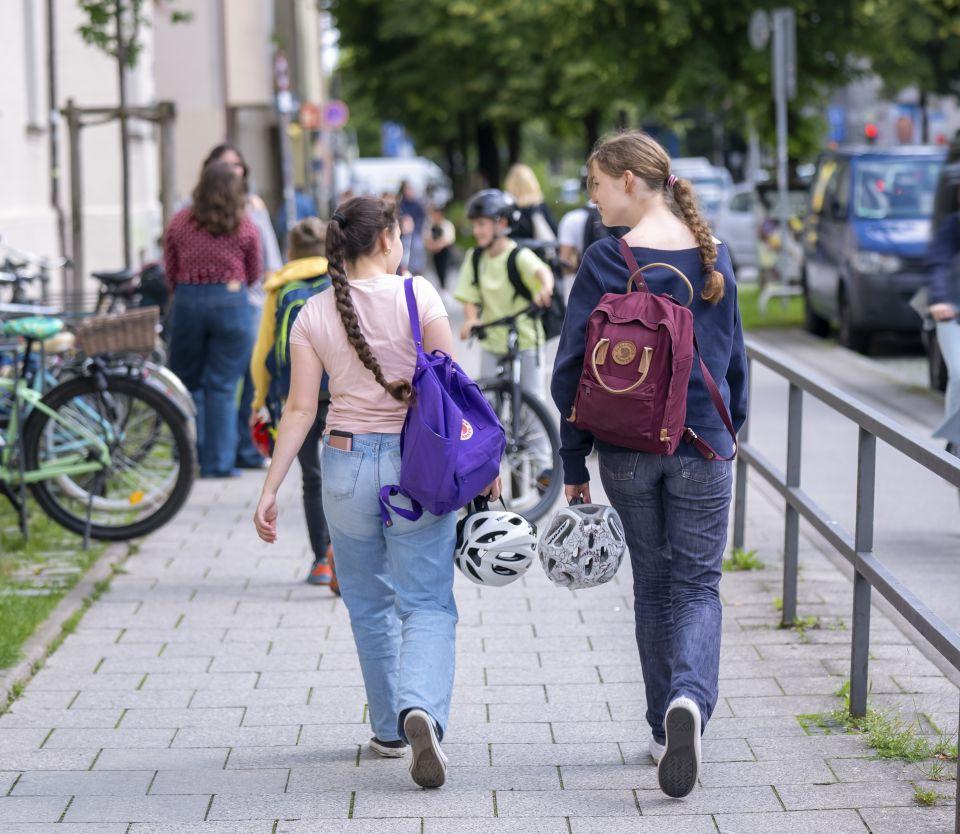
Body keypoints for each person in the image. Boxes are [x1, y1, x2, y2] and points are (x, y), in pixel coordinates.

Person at [253, 196, 500, 788]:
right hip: (418, 470)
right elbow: (455, 391)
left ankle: (391, 728)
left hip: (342, 466)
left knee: (367, 603)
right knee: (428, 603)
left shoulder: (311, 312)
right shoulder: (419, 297)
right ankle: (422, 709)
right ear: (387, 238)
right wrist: (485, 464)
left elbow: (299, 408)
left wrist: (270, 487)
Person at [550, 131, 748, 798]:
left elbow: (572, 368)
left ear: (630, 180)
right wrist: (730, 429)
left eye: (597, 184)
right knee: (699, 584)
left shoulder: (609, 260)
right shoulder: (715, 254)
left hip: (629, 448)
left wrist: (572, 458)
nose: (593, 197)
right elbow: (735, 361)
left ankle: (664, 728)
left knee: (654, 584)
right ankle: (689, 701)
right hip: (702, 444)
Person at [249, 217, 337, 588]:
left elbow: (263, 351)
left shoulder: (279, 288)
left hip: (295, 397)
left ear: (290, 252)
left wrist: (259, 398)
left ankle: (320, 560)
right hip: (337, 395)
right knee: (341, 474)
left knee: (312, 478)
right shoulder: (339, 280)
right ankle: (344, 555)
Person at [164, 162, 263, 477]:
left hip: (188, 302)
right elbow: (254, 272)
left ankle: (189, 456)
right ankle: (219, 464)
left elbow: (169, 268)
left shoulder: (180, 222)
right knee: (222, 386)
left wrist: (186, 290)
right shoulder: (244, 225)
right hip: (231, 303)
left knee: (187, 382)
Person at [199, 143, 283, 471]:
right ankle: (221, 451)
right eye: (224, 165)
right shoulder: (196, 208)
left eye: (237, 165)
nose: (232, 171)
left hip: (251, 300)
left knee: (252, 378)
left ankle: (245, 448)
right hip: (225, 301)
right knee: (221, 380)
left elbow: (269, 258)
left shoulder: (252, 207)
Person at [454, 189, 554, 398]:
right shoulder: (475, 257)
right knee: (486, 403)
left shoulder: (518, 255)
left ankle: (530, 430)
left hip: (525, 339)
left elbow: (542, 272)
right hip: (491, 339)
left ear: (502, 224)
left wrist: (545, 288)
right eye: (474, 225)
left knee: (532, 399)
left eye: (482, 224)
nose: (476, 231)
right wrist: (471, 319)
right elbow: (468, 294)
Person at [927, 195, 960, 457]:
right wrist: (940, 299)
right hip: (953, 314)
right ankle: (955, 439)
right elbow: (939, 264)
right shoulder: (953, 226)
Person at [504, 163, 558, 242]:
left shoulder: (507, 208)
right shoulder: (539, 207)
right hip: (538, 252)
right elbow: (554, 234)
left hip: (513, 252)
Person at [423, 204, 456, 289]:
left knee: (444, 270)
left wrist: (438, 245)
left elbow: (449, 239)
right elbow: (426, 239)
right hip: (434, 252)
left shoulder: (447, 225)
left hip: (445, 252)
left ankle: (444, 287)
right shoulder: (430, 226)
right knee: (436, 271)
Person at [398, 181, 427, 275]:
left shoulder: (417, 205)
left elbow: (421, 218)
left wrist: (414, 226)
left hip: (415, 232)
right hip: (403, 232)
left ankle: (417, 269)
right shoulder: (400, 204)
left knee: (417, 246)